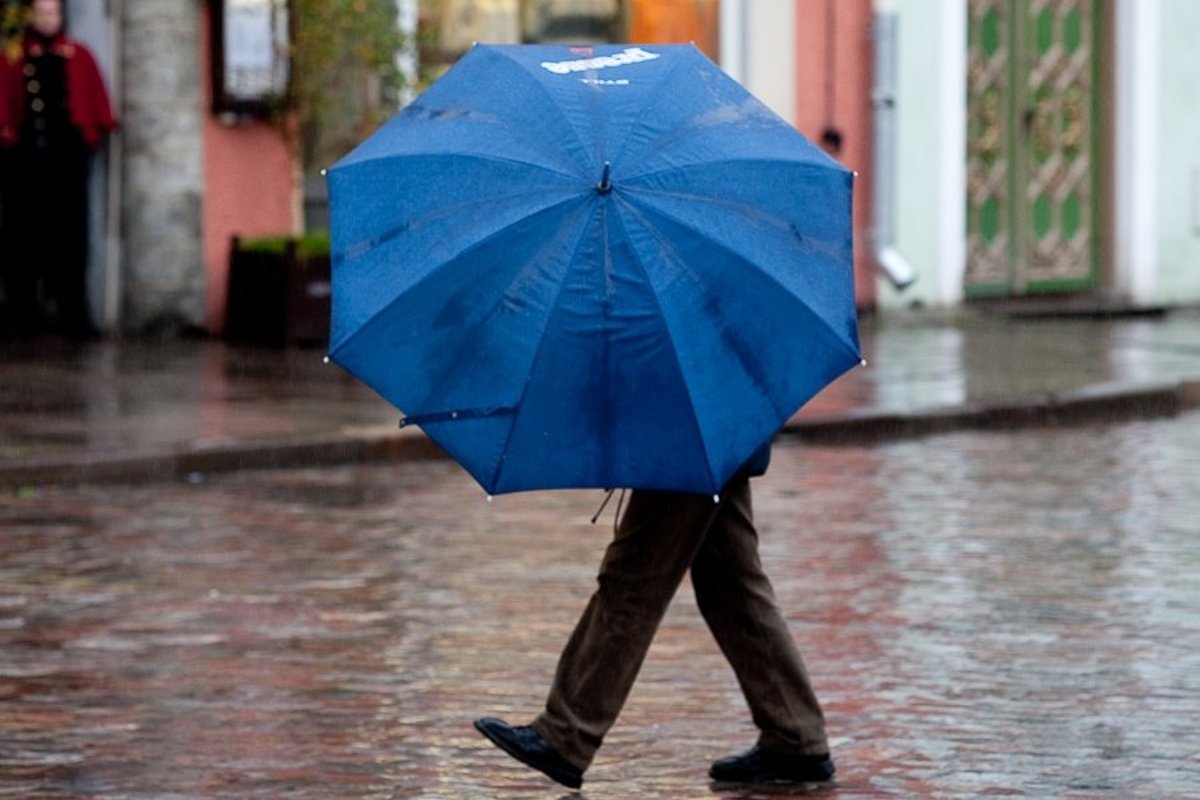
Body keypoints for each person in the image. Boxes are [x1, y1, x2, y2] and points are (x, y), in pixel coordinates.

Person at [474, 444, 836, 789]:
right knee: (729, 579)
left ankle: (567, 734)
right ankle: (796, 735)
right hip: (713, 429)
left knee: (633, 577)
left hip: (686, 441)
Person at [0, 0, 116, 338]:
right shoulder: (15, 55)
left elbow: (95, 100)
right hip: (25, 159)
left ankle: (74, 313)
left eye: (52, 13)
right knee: (21, 237)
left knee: (72, 237)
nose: (47, 20)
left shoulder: (79, 55)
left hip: (67, 158)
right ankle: (23, 311)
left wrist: (90, 136)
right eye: (40, 13)